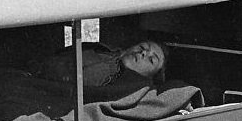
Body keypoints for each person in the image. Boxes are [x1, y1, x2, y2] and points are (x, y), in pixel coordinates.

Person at [31, 39, 168, 87]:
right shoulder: (103, 49)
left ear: (150, 76)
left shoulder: (126, 86)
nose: (143, 53)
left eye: (151, 60)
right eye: (142, 47)